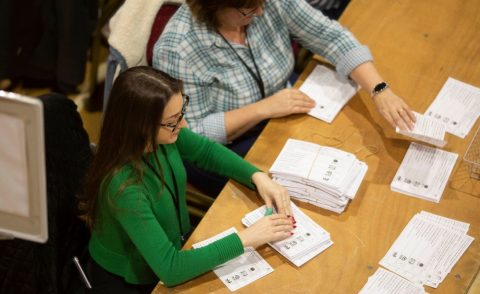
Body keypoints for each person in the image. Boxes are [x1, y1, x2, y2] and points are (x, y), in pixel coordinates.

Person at [153, 0, 416, 195]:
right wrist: (262, 109)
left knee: (349, 152)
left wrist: (380, 90)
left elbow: (330, 36)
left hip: (280, 110)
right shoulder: (178, 48)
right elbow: (191, 136)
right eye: (248, 10)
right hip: (224, 149)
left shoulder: (264, 2)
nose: (261, 12)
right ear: (213, 7)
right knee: (310, 189)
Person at [80, 66, 295, 293]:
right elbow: (171, 269)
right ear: (141, 126)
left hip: (177, 244)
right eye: (173, 120)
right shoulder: (124, 186)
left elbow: (206, 152)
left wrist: (258, 176)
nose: (183, 125)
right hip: (136, 280)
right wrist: (247, 238)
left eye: (181, 111)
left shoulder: (163, 136)